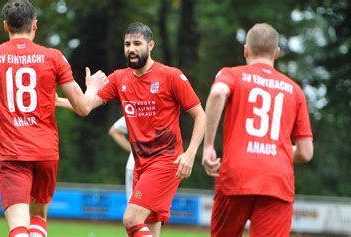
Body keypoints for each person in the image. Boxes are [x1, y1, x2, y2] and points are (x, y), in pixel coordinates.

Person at [0, 1, 107, 237]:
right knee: (38, 217)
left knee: (18, 224)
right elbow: (82, 108)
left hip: (12, 154)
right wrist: (92, 88)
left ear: (6, 25)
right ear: (35, 25)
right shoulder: (53, 57)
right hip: (46, 152)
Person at [85, 22, 206, 237]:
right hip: (141, 165)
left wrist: (190, 153)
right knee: (147, 230)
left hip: (166, 161)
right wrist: (55, 99)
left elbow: (200, 116)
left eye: (137, 43)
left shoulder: (171, 76)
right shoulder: (120, 78)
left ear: (151, 45)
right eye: (127, 44)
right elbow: (85, 106)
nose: (131, 48)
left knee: (131, 219)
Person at [202, 23, 314, 237]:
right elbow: (306, 152)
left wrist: (208, 146)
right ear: (277, 53)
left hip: (236, 174)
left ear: (246, 50)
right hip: (277, 180)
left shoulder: (232, 74)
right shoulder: (295, 90)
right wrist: (277, 149)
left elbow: (217, 93)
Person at [109, 116, 135, 201]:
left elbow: (114, 131)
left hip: (134, 165)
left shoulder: (135, 108)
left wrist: (134, 151)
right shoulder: (163, 110)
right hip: (157, 165)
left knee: (133, 207)